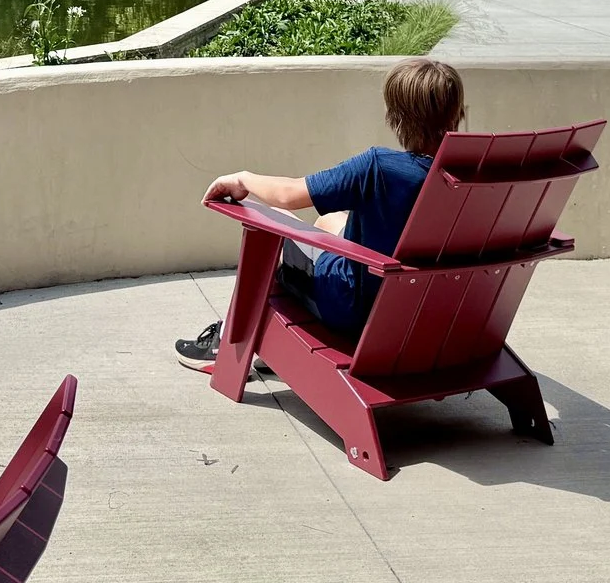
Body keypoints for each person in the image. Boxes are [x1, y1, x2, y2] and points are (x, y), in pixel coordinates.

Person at [174, 57, 466, 372]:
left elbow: (289, 194)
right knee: (329, 220)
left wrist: (243, 179)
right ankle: (271, 340)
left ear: (396, 116)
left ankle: (231, 341)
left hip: (358, 308)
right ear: (457, 112)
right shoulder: (473, 174)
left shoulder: (379, 167)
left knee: (272, 221)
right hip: (430, 312)